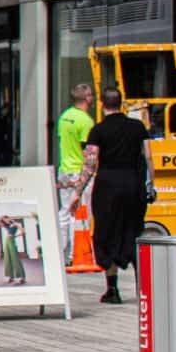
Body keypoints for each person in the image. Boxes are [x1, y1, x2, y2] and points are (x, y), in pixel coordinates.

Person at [86, 88, 152, 304]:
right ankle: (142, 286)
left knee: (107, 232)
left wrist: (78, 190)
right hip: (132, 183)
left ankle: (112, 289)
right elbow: (148, 157)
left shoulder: (98, 130)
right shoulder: (138, 127)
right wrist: (150, 183)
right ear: (121, 103)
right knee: (133, 230)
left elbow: (91, 163)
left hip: (107, 185)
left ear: (102, 103)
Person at [56, 83, 96, 267]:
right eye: (91, 95)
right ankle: (76, 255)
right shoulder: (86, 121)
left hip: (64, 170)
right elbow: (87, 150)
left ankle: (60, 253)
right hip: (79, 173)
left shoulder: (64, 117)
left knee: (64, 212)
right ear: (86, 98)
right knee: (79, 214)